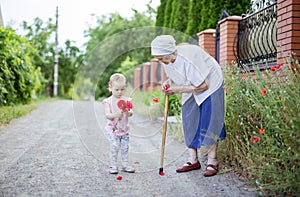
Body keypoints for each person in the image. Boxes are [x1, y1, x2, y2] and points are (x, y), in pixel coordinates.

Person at [151, 35, 226, 177]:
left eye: (161, 58)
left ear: (169, 52)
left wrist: (177, 89)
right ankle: (193, 160)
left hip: (210, 83)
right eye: (158, 58)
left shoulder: (188, 59)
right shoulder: (167, 60)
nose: (160, 61)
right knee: (189, 117)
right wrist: (168, 82)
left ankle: (212, 161)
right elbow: (176, 76)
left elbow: (203, 85)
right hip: (192, 83)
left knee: (209, 120)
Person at [102, 73, 135, 174]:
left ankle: (125, 165)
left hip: (124, 130)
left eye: (122, 89)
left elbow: (131, 113)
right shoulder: (108, 101)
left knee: (125, 147)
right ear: (110, 88)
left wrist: (127, 112)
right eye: (117, 90)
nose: (120, 92)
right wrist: (116, 115)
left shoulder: (126, 100)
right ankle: (113, 165)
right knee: (115, 146)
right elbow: (108, 115)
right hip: (113, 130)